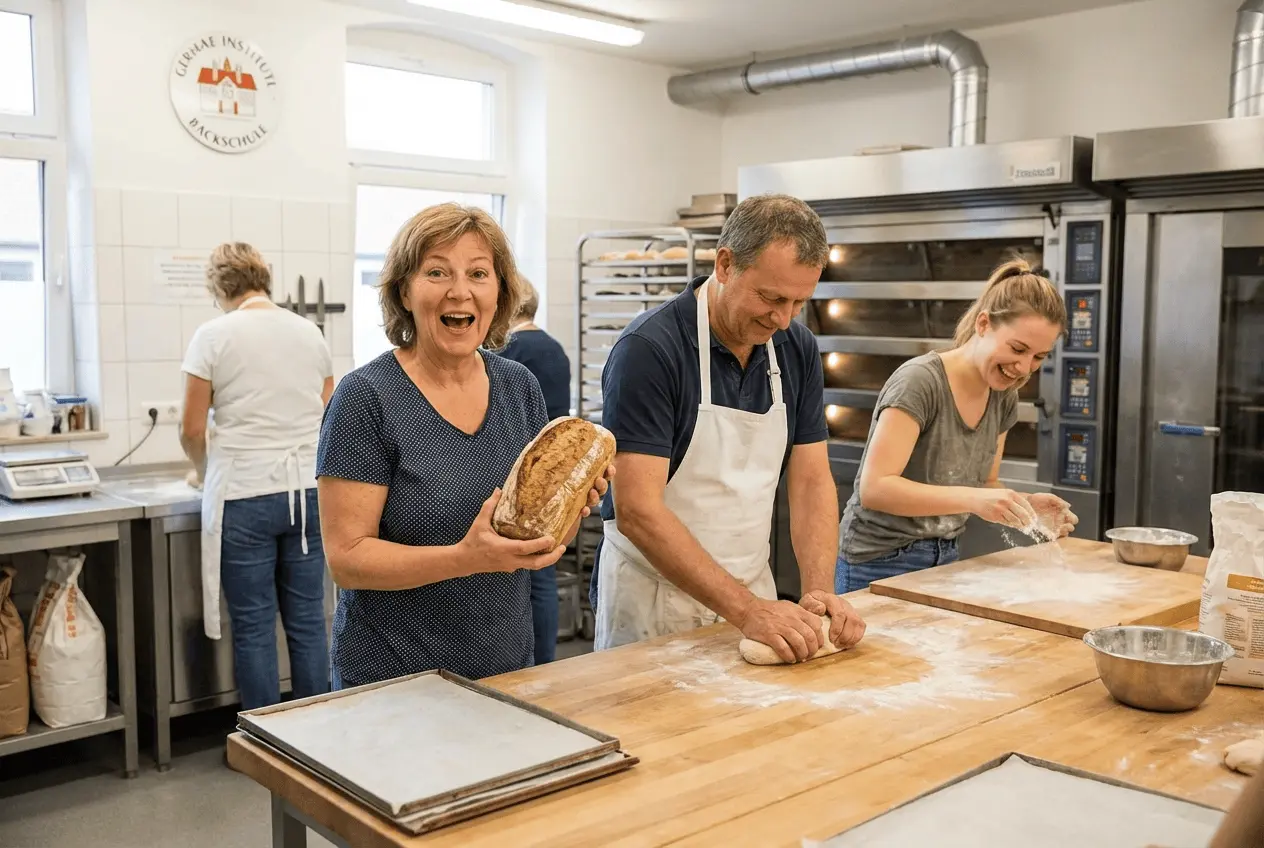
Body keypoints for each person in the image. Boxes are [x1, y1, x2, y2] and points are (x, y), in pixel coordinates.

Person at [315, 203, 610, 689]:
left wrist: (571, 505)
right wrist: (464, 558)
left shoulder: (518, 386)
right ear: (404, 292)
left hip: (506, 669)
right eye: (437, 272)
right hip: (394, 682)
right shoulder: (366, 396)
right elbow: (347, 559)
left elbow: (530, 541)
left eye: (478, 273)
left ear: (499, 293)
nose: (460, 291)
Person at [590, 193, 867, 665]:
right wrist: (748, 610)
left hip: (754, 595)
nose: (783, 319)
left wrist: (820, 592)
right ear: (725, 264)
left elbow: (811, 480)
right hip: (655, 601)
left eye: (799, 302)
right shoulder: (650, 350)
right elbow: (637, 510)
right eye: (771, 298)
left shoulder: (796, 348)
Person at [835, 259, 1079, 594]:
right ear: (983, 324)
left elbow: (985, 483)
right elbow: (876, 489)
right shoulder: (920, 382)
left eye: (1038, 357)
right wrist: (976, 500)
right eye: (1017, 348)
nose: (1024, 367)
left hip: (946, 556)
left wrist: (1025, 507)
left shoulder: (1003, 395)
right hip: (878, 561)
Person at [179, 242, 333, 711]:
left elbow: (191, 429)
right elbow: (330, 417)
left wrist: (201, 472)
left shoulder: (213, 336)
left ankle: (263, 739)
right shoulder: (309, 333)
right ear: (264, 279)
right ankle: (317, 733)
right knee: (309, 620)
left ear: (219, 288)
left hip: (244, 494)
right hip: (307, 492)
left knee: (254, 626)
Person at [498, 278, 572, 665]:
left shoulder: (513, 350)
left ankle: (536, 659)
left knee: (529, 572)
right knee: (544, 571)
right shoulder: (554, 347)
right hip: (557, 469)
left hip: (526, 471)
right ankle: (544, 660)